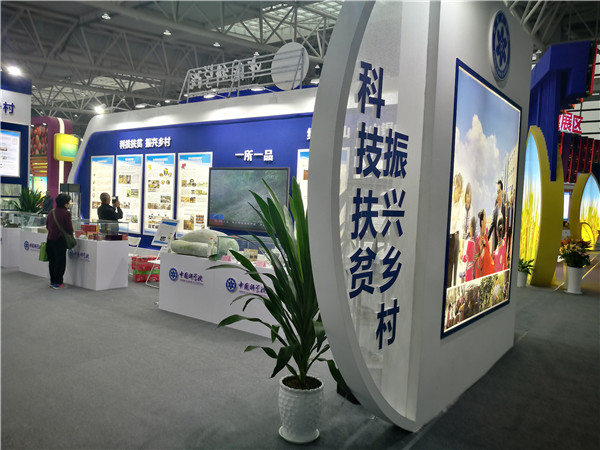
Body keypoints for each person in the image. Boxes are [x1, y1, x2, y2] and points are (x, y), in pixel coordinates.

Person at [46, 193, 74, 289]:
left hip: (50, 239)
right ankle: (58, 282)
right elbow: (69, 229)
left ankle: (52, 281)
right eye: (68, 202)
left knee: (52, 262)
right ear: (65, 203)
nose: (69, 204)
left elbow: (47, 226)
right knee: (60, 262)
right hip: (60, 240)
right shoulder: (66, 213)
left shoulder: (51, 212)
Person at [447, 173, 464, 288]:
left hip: (455, 237)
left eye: (461, 192)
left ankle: (451, 288)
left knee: (454, 267)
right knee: (448, 267)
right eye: (458, 191)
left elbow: (460, 224)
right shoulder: (449, 200)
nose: (460, 194)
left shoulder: (459, 202)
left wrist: (461, 247)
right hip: (448, 237)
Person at [475, 209, 495, 278]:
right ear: (482, 222)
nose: (486, 221)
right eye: (485, 218)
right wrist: (481, 256)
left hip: (488, 271)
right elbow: (476, 265)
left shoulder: (485, 236)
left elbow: (488, 253)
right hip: (482, 274)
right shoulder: (477, 240)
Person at [488, 180, 506, 253]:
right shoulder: (495, 210)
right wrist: (487, 238)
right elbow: (492, 224)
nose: (497, 193)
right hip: (495, 239)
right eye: (496, 192)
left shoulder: (504, 208)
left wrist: (503, 237)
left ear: (502, 191)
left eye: (499, 191)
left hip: (502, 240)